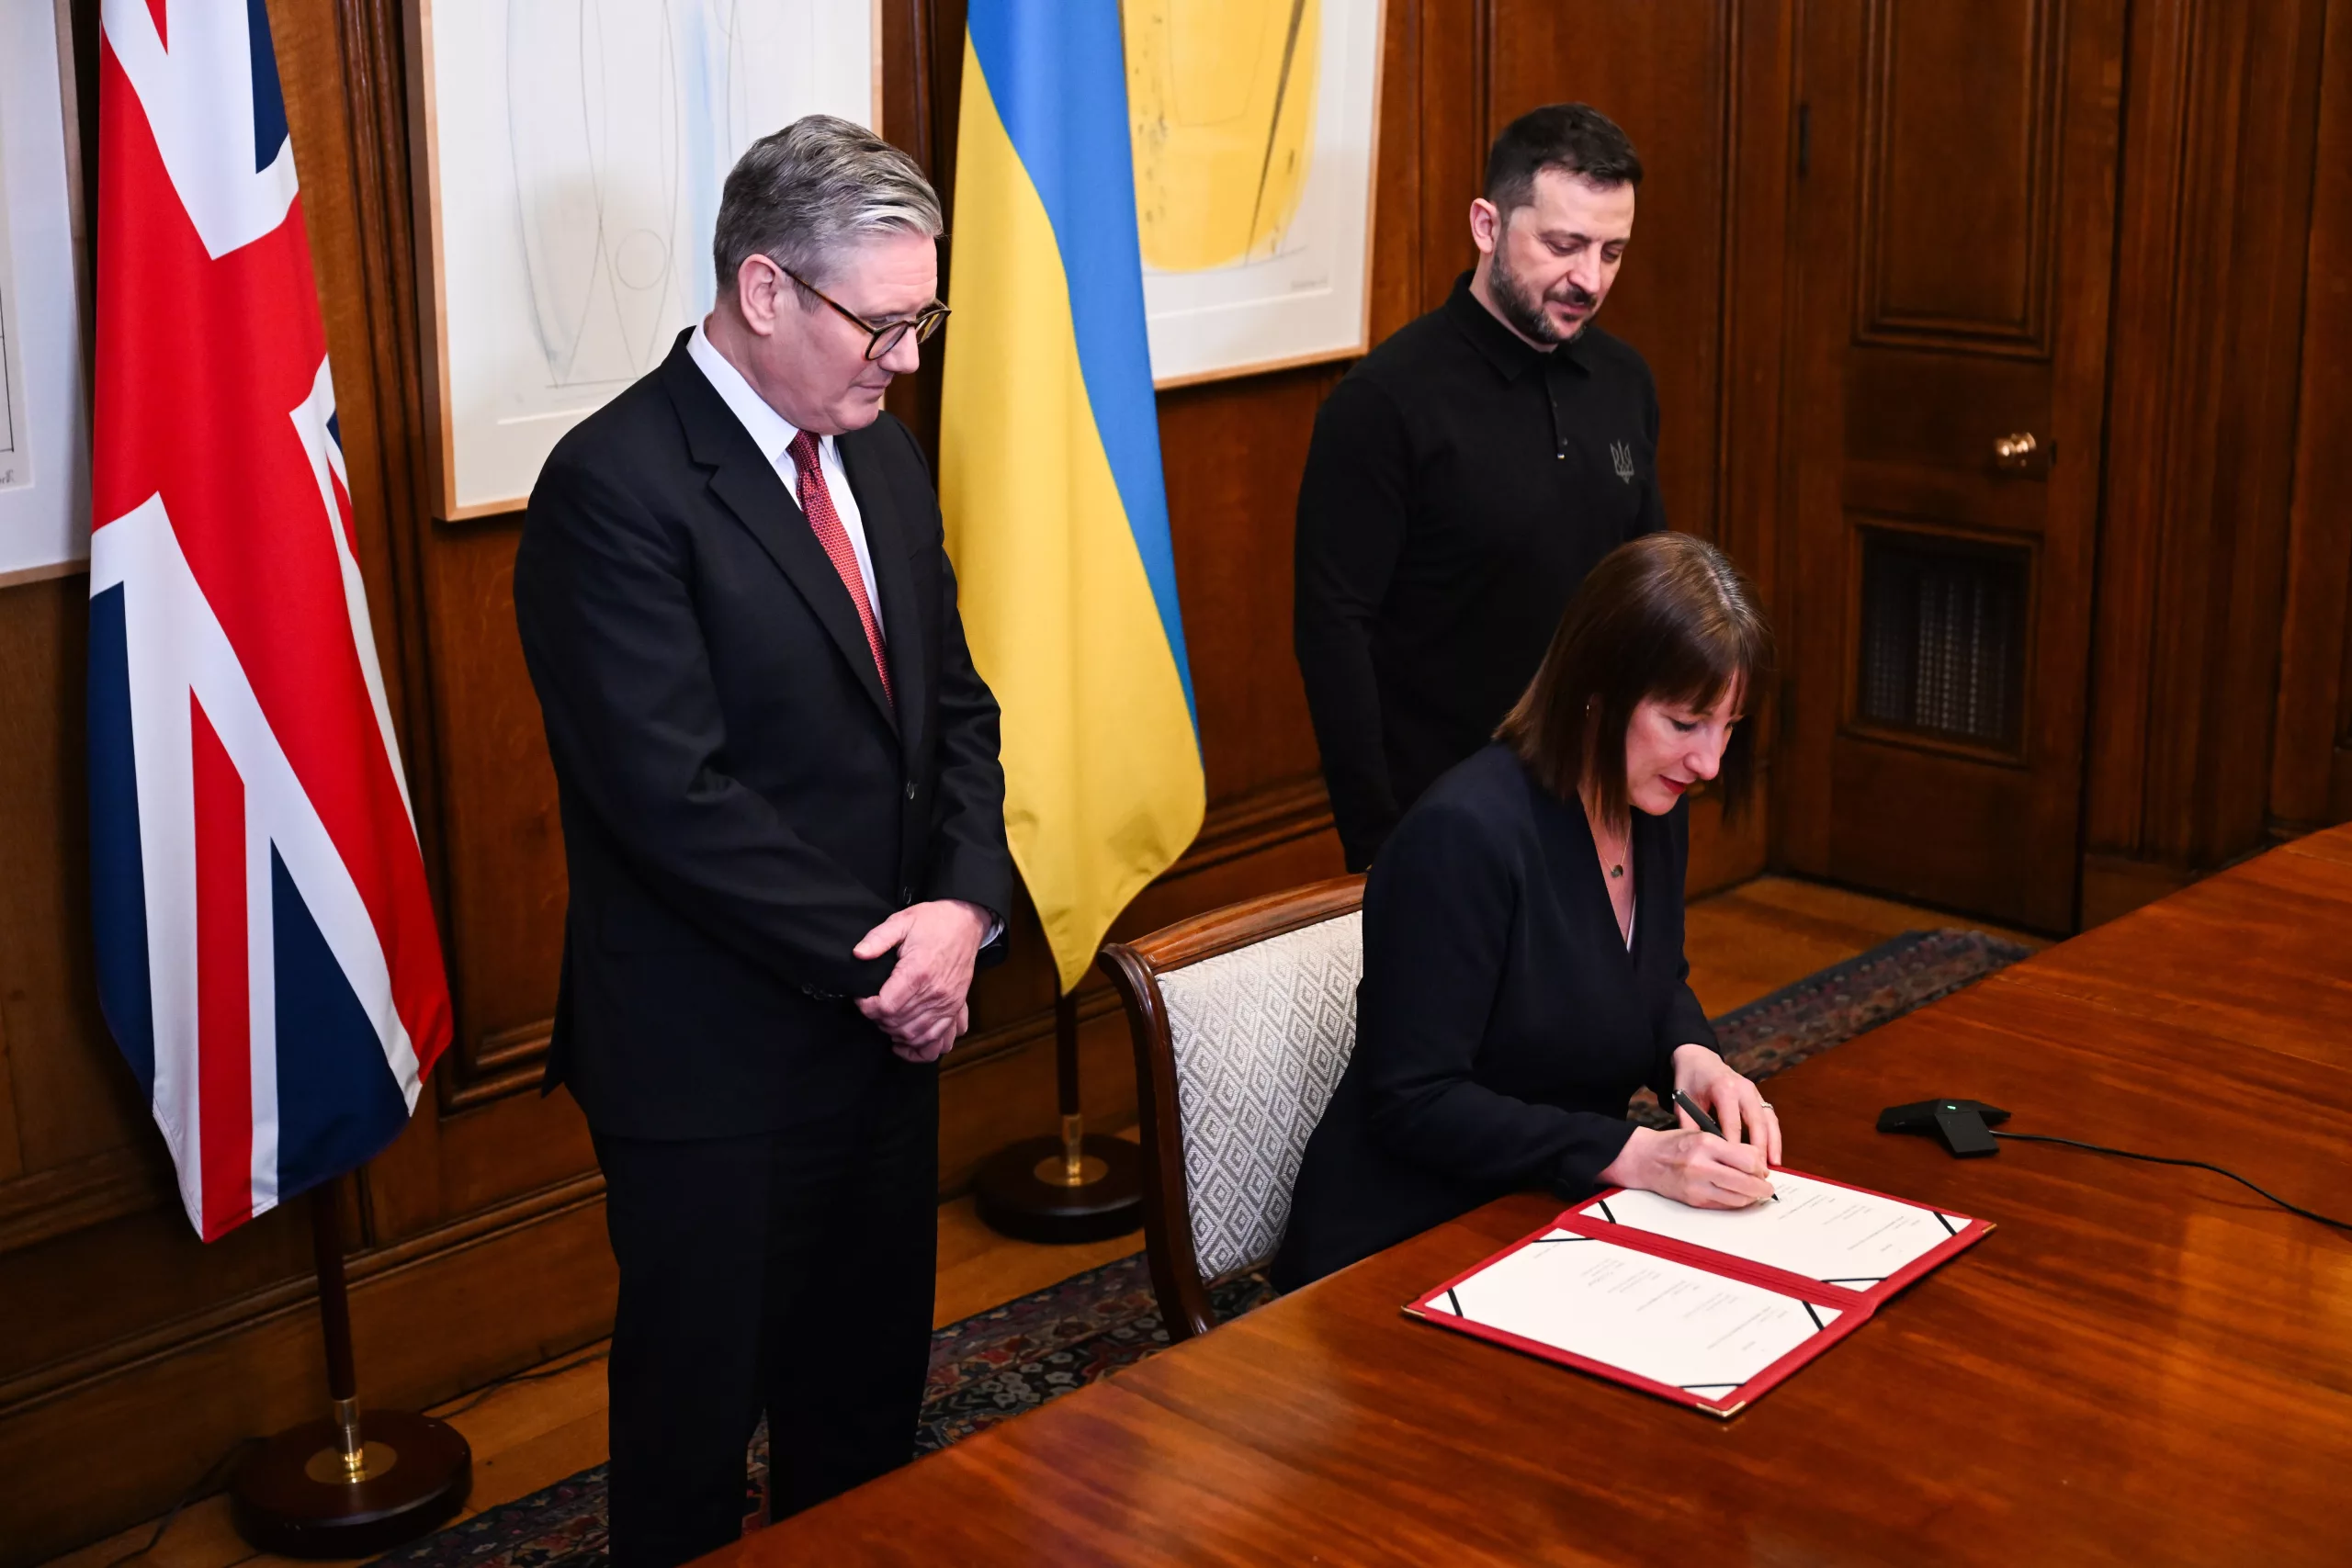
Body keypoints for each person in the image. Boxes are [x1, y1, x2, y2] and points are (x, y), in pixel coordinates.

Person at [511, 117, 1012, 1567]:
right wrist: (895, 960)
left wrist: (963, 911)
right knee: (693, 1434)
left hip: (890, 1032)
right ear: (766, 288)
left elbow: (957, 709)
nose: (904, 360)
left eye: (923, 322)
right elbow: (674, 796)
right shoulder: (615, 486)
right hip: (714, 1062)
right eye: (883, 324)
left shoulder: (879, 453)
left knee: (863, 1406)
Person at [1273, 532, 1778, 1291]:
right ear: (1595, 691)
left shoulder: (1653, 804)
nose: (1709, 763)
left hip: (1542, 1209)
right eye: (1685, 724)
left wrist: (1692, 1055)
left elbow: (1648, 978)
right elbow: (1414, 1101)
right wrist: (1633, 1153)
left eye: (1728, 727)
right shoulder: (1462, 835)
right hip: (1402, 1239)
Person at [1295, 103, 1663, 872]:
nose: (1590, 279)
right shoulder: (1384, 403)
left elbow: (1645, 589)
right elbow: (1334, 632)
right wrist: (1376, 843)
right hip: (1442, 819)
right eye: (1563, 245)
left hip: (1601, 800)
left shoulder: (1625, 380)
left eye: (1613, 252)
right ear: (1487, 225)